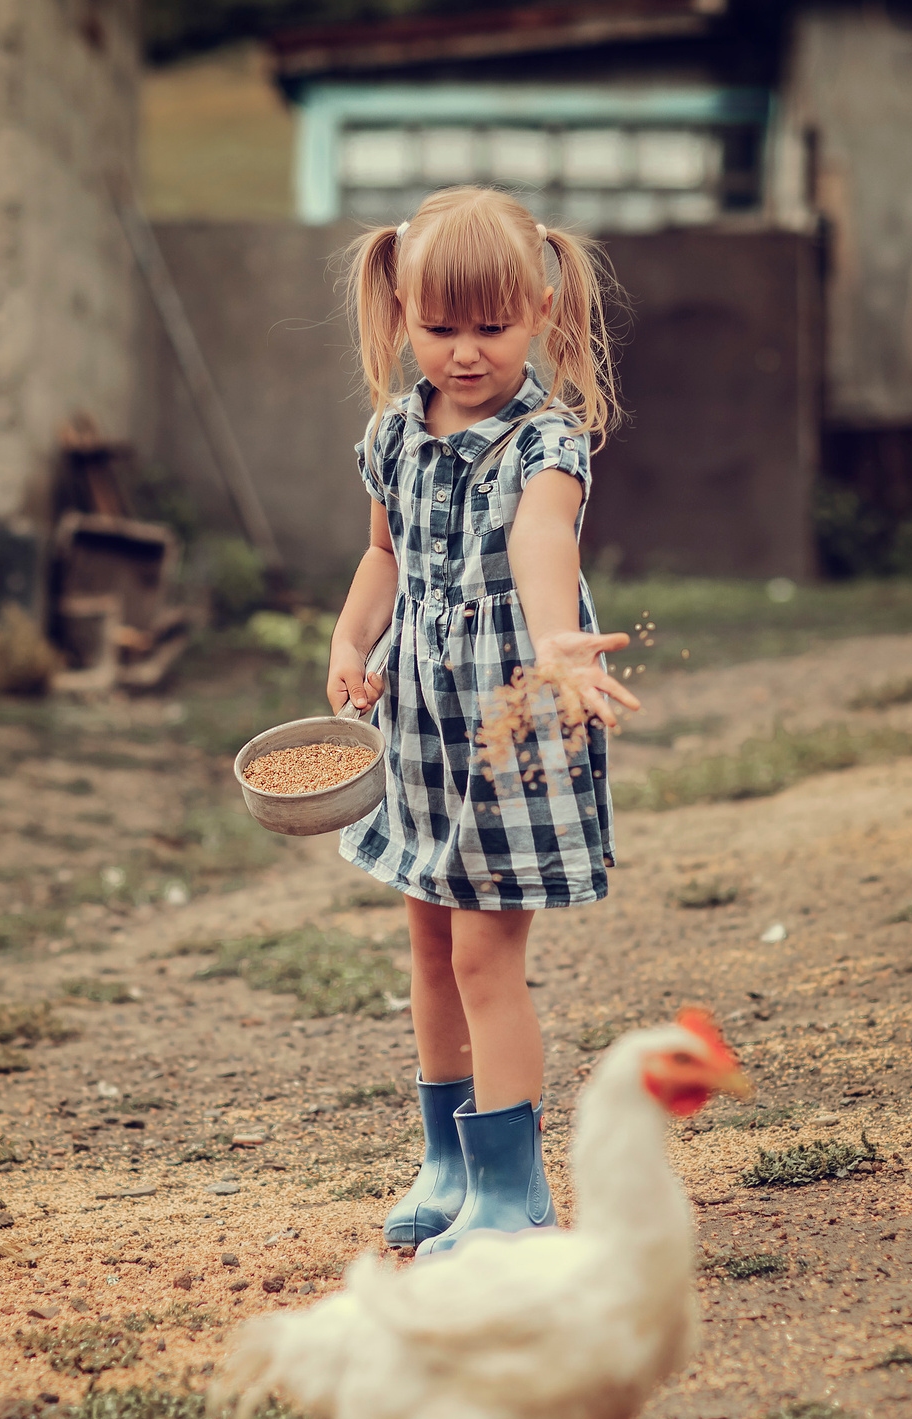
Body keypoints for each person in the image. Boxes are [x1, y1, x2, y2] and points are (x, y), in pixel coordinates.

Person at [323, 185, 640, 1257]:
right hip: (420, 726)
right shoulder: (393, 436)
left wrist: (554, 643)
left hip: (509, 724)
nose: (465, 354)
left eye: (491, 328)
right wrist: (348, 644)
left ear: (541, 313)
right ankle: (448, 1161)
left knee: (482, 959)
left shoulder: (545, 443)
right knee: (426, 942)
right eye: (440, 327)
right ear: (402, 312)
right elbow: (384, 555)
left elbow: (540, 543)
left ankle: (514, 1194)